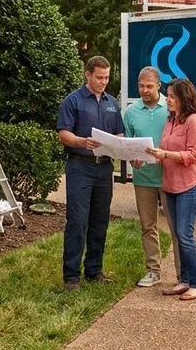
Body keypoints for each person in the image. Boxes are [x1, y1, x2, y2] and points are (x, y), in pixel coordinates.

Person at [56, 55, 124, 291]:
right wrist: (80, 141)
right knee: (77, 221)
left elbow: (119, 133)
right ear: (87, 74)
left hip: (104, 169)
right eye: (99, 77)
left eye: (106, 77)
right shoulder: (72, 101)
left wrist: (120, 144)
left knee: (99, 220)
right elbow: (63, 133)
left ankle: (94, 271)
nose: (103, 82)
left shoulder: (112, 102)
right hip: (80, 167)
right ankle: (71, 277)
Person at [146, 78, 196, 301]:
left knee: (185, 233)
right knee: (179, 236)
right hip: (170, 186)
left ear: (183, 97)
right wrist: (148, 157)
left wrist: (166, 155)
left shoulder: (194, 121)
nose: (168, 100)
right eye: (168, 96)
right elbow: (164, 149)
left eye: (172, 96)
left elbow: (192, 155)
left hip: (190, 186)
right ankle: (184, 281)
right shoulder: (171, 121)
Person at [123, 66, 179, 287]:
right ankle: (153, 271)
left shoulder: (171, 108)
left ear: (159, 85)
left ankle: (182, 275)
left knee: (177, 229)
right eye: (141, 86)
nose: (144, 90)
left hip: (170, 177)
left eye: (149, 86)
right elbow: (127, 145)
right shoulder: (131, 112)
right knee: (148, 226)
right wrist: (131, 159)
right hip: (143, 178)